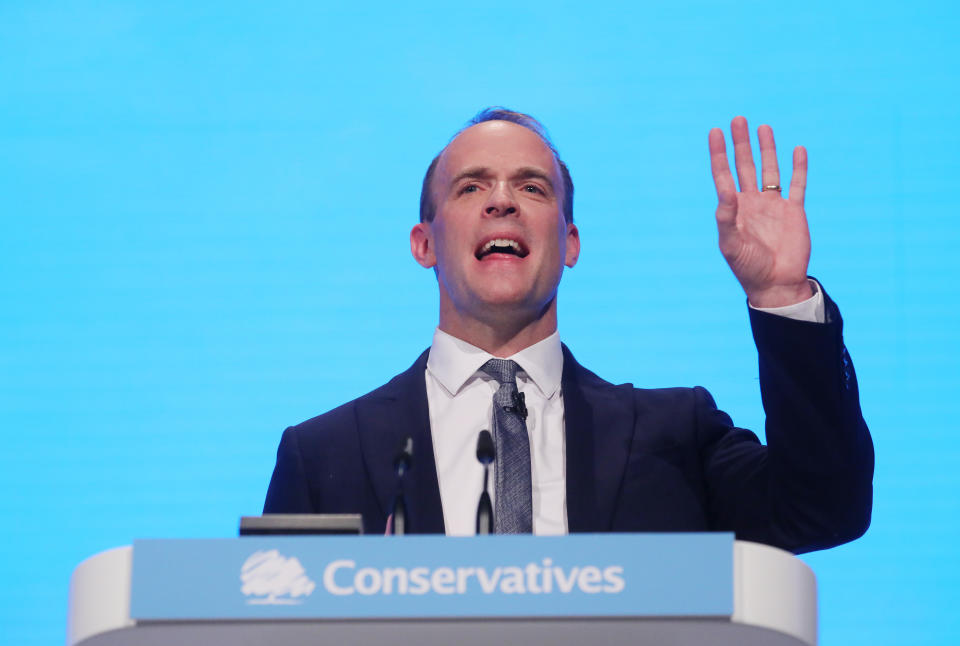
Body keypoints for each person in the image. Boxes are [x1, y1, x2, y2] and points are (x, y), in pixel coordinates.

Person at [263, 108, 874, 554]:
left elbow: (823, 512)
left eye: (532, 187)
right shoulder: (322, 456)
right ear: (424, 244)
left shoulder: (676, 435)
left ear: (570, 243)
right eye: (471, 186)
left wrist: (780, 296)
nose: (501, 202)